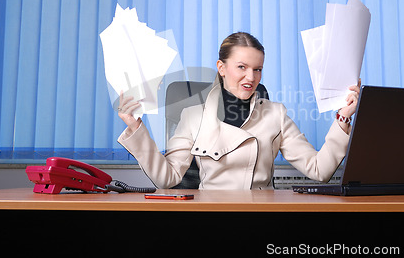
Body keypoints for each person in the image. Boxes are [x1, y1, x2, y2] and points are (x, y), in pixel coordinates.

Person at [117, 32, 360, 190]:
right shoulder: (192, 116)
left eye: (257, 69)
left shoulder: (276, 114)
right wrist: (136, 128)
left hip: (262, 215)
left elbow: (320, 170)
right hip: (210, 217)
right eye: (241, 67)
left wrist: (343, 116)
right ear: (221, 68)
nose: (251, 77)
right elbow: (166, 178)